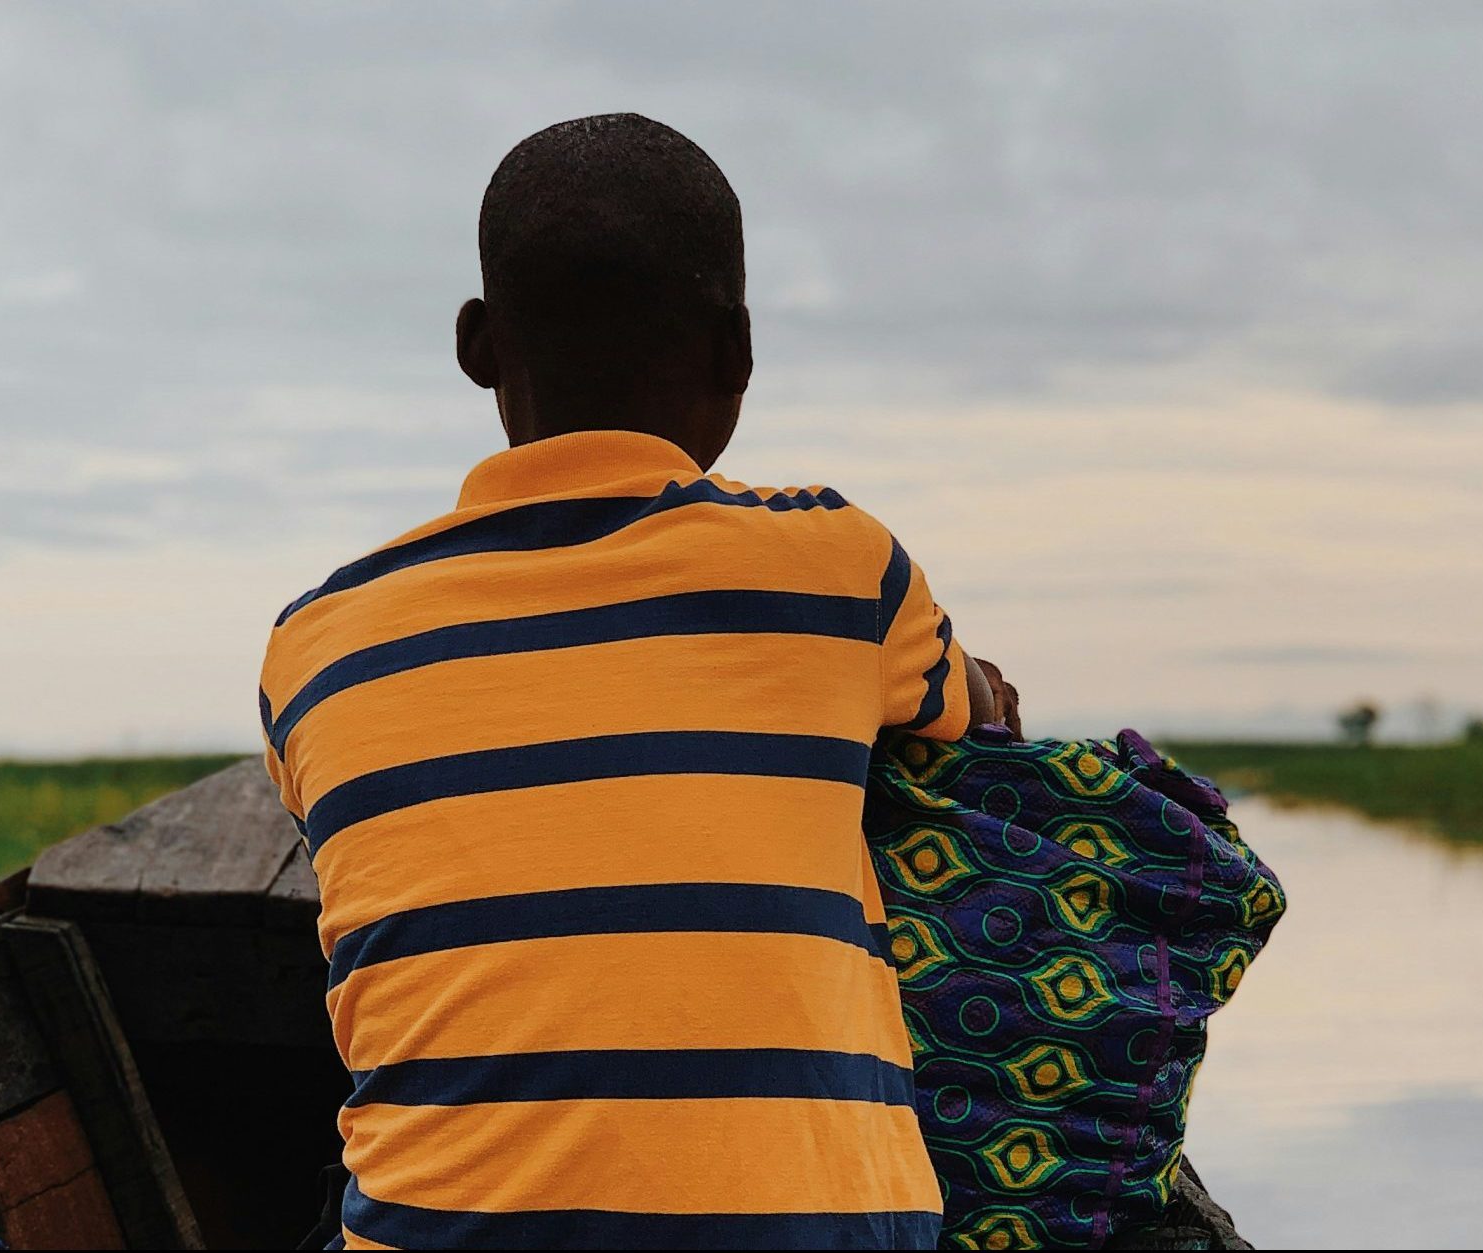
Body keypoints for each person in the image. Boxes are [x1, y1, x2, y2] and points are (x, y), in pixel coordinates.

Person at [258, 113, 1001, 1250]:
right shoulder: (838, 565)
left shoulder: (316, 644)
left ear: (476, 345)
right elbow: (971, 712)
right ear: (737, 352)